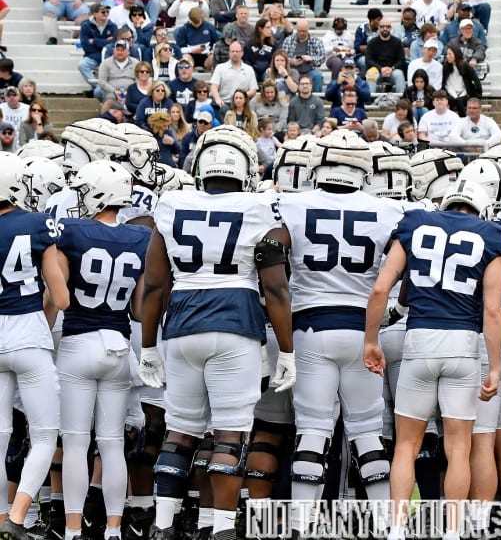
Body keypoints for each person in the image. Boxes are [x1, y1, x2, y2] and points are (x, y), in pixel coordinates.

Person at [139, 127, 295, 540]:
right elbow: (276, 287)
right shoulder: (261, 206)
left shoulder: (171, 204)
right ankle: (223, 529)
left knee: (180, 429)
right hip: (235, 321)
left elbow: (155, 285)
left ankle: (164, 525)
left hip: (182, 323)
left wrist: (149, 345)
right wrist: (289, 352)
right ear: (245, 168)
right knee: (230, 432)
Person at [364, 175, 501, 540]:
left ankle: (397, 528)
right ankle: (453, 532)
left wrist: (371, 340)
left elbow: (382, 288)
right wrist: (495, 367)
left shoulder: (414, 221)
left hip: (420, 339)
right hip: (463, 342)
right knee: (459, 447)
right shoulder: (490, 235)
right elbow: (492, 311)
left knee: (406, 446)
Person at [276, 133, 402, 535]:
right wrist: (393, 313)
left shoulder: (289, 204)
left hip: (310, 328)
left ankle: (301, 524)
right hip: (364, 329)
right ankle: (384, 523)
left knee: (312, 428)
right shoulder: (389, 210)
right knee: (368, 431)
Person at [54, 160, 148, 540]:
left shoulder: (72, 231)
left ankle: (74, 529)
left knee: (76, 442)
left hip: (78, 341)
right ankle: (113, 529)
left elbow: (54, 295)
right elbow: (141, 308)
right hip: (119, 346)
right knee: (111, 444)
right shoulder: (141, 238)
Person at [0, 154, 68, 540]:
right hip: (28, 334)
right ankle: (18, 516)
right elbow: (60, 297)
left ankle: (0, 518)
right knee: (44, 435)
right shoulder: (37, 224)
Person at [281, 19, 326, 93]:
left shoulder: (316, 41)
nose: (301, 33)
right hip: (293, 70)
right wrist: (292, 61)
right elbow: (282, 58)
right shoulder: (288, 40)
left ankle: (316, 99)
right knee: (289, 76)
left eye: (304, 31)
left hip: (310, 70)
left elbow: (322, 57)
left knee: (317, 76)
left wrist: (311, 59)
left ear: (308, 29)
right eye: (299, 31)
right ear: (296, 29)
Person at [366, 18, 407, 94]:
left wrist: (392, 68)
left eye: (387, 27)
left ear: (391, 28)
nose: (385, 29)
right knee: (370, 73)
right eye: (382, 26)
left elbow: (401, 60)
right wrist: (381, 68)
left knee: (399, 74)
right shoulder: (372, 42)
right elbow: (368, 60)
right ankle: (369, 101)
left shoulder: (397, 42)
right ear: (378, 28)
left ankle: (402, 100)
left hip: (393, 71)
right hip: (377, 71)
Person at [442, 46, 481, 117]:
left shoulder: (465, 66)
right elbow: (446, 84)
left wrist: (478, 97)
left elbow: (476, 81)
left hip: (464, 94)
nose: (448, 56)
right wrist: (453, 95)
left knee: (459, 101)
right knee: (448, 101)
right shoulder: (446, 66)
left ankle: (463, 120)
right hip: (451, 93)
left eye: (450, 54)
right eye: (447, 54)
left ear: (456, 54)